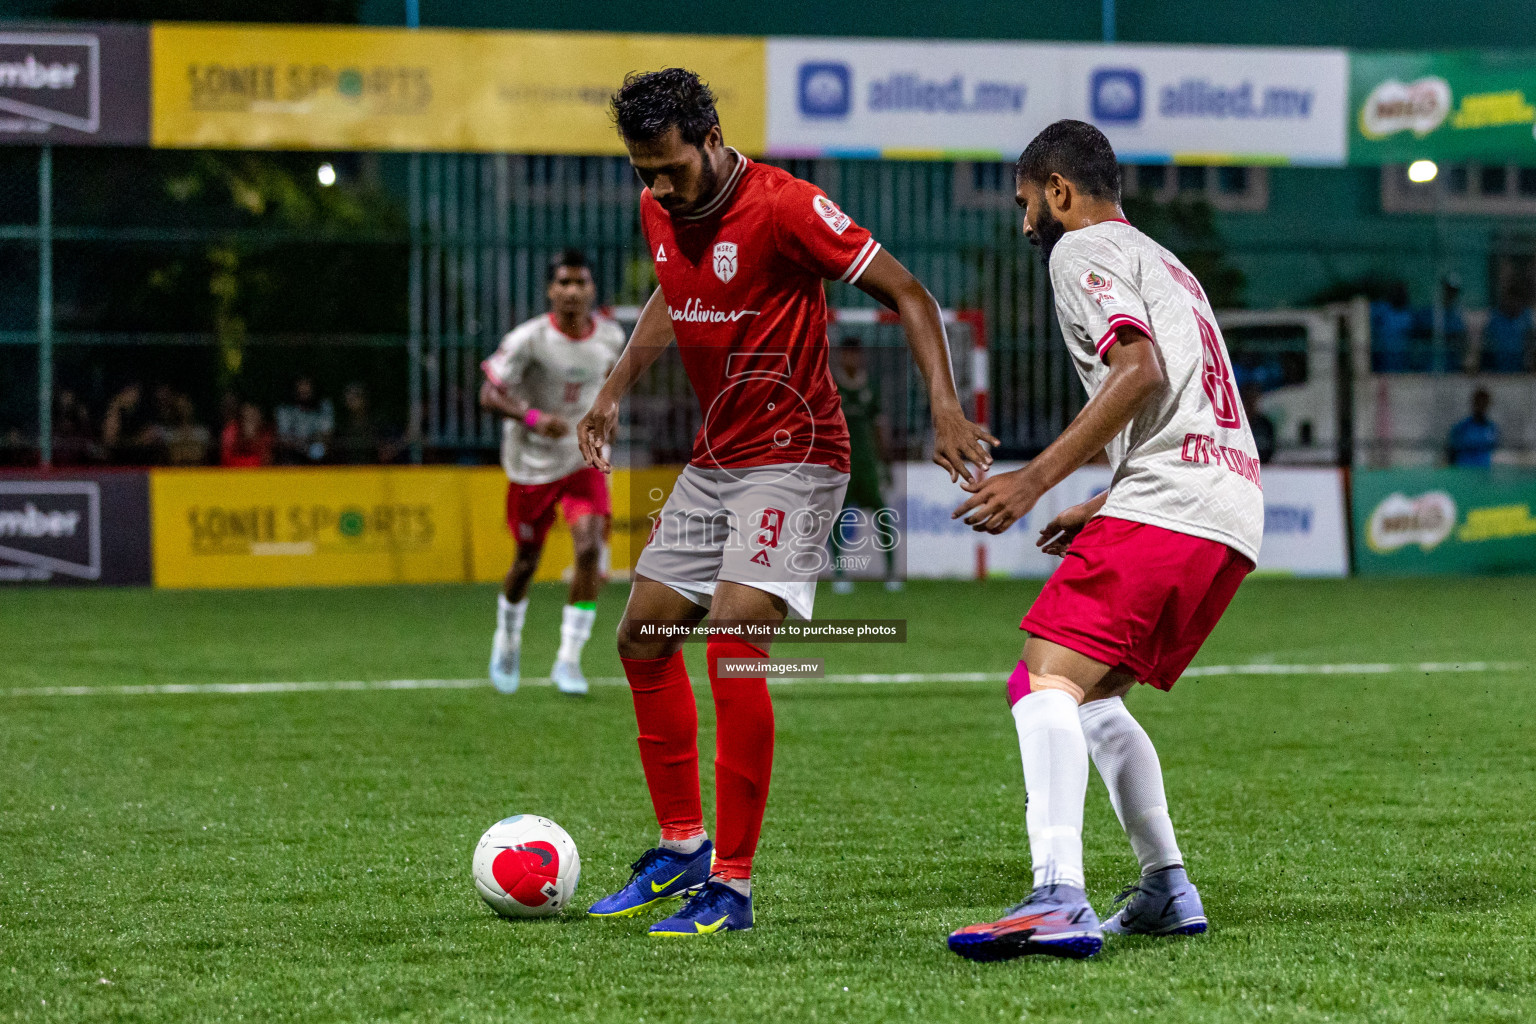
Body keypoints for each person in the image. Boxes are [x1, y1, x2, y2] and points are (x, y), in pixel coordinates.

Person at [575, 68, 994, 937]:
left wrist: (946, 409)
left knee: (732, 640)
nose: (657, 187)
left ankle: (731, 883)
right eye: (641, 171)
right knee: (642, 639)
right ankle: (683, 847)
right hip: (717, 458)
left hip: (798, 458)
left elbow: (910, 294)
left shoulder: (786, 205)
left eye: (670, 169)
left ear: (712, 137)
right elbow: (671, 291)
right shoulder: (662, 208)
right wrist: (617, 383)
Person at [945, 120, 1263, 961]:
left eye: (1025, 203)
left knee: (1042, 679)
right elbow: (1180, 397)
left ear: (1059, 191)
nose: (1024, 225)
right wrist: (1107, 497)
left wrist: (1033, 479)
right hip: (1227, 508)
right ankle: (1165, 887)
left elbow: (1141, 373)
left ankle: (1056, 896)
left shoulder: (1077, 249)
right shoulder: (1165, 260)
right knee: (1081, 694)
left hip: (1174, 501)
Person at [479, 249, 625, 696]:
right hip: (531, 464)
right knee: (526, 562)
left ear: (592, 289)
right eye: (563, 283)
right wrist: (532, 418)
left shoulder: (611, 338)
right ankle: (507, 637)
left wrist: (609, 414)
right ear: (550, 290)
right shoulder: (528, 339)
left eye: (580, 283)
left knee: (587, 552)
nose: (572, 291)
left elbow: (610, 387)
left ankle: (569, 660)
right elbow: (489, 392)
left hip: (582, 460)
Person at [829, 337, 899, 592]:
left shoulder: (870, 387)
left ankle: (891, 572)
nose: (852, 359)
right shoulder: (831, 386)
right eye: (847, 354)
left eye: (856, 354)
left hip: (867, 465)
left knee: (882, 514)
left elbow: (880, 427)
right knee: (837, 517)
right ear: (841, 356)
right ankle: (839, 573)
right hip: (841, 465)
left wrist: (886, 464)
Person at [274, 377, 334, 464]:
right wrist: (303, 446)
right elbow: (284, 438)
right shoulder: (284, 409)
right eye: (301, 385)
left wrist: (315, 443)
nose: (304, 389)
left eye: (307, 384)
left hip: (319, 455)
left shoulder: (324, 406)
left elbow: (327, 434)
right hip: (293, 456)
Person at [1481, 287, 1534, 373]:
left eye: (1516, 300)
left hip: (1520, 365)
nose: (1513, 303)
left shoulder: (1526, 317)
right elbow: (1486, 343)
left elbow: (1531, 340)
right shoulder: (1495, 318)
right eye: (1510, 300)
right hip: (1498, 365)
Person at [1447, 388, 1499, 467]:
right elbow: (1451, 450)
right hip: (1464, 471)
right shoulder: (1462, 427)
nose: (1481, 407)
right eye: (1479, 403)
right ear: (1474, 404)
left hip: (1483, 471)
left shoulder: (1491, 428)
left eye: (1484, 404)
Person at [1369, 282, 1412, 373]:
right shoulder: (1382, 309)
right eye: (1396, 292)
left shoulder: (1408, 315)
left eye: (1401, 293)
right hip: (1381, 362)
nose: (1399, 295)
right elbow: (1363, 313)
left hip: (1402, 363)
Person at [220, 402, 274, 468]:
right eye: (247, 415)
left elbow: (267, 460)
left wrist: (254, 438)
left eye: (253, 415)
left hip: (258, 473)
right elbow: (225, 457)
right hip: (233, 471)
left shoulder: (265, 432)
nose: (250, 418)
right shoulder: (231, 430)